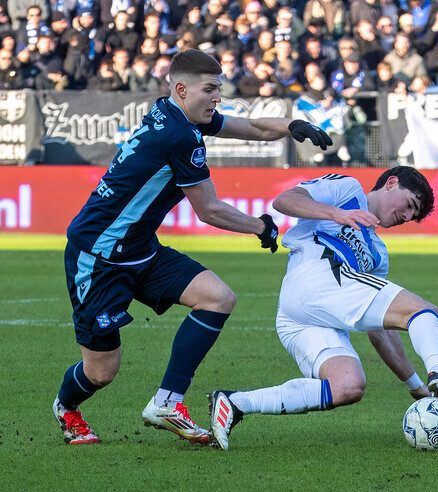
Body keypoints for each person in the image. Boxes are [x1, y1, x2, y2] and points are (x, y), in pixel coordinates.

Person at [53, 49, 332, 446]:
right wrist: (261, 227)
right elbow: (209, 209)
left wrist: (293, 125)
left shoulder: (173, 112)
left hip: (141, 251)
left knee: (218, 298)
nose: (217, 97)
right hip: (97, 257)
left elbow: (250, 126)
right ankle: (66, 407)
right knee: (101, 371)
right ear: (182, 89)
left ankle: (167, 402)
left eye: (219, 89)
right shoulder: (178, 135)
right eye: (210, 89)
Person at [207, 167, 438, 450]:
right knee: (424, 311)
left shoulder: (377, 254)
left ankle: (235, 403)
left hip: (304, 317)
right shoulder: (347, 190)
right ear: (391, 183)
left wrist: (414, 385)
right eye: (410, 204)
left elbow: (378, 331)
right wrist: (338, 214)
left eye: (413, 216)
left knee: (348, 386)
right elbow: (284, 201)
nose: (407, 216)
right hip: (315, 277)